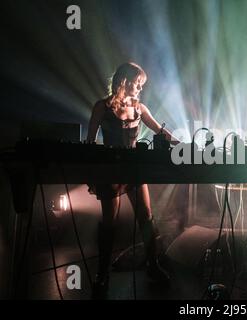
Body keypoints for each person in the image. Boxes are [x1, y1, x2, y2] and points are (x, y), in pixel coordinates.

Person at [86, 62, 179, 299]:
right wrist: (91, 173)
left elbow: (161, 132)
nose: (140, 87)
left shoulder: (140, 108)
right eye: (138, 82)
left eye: (141, 83)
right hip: (110, 173)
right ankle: (103, 274)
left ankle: (153, 266)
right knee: (110, 224)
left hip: (135, 173)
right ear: (125, 81)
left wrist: (184, 146)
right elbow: (88, 144)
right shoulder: (102, 107)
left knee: (146, 217)